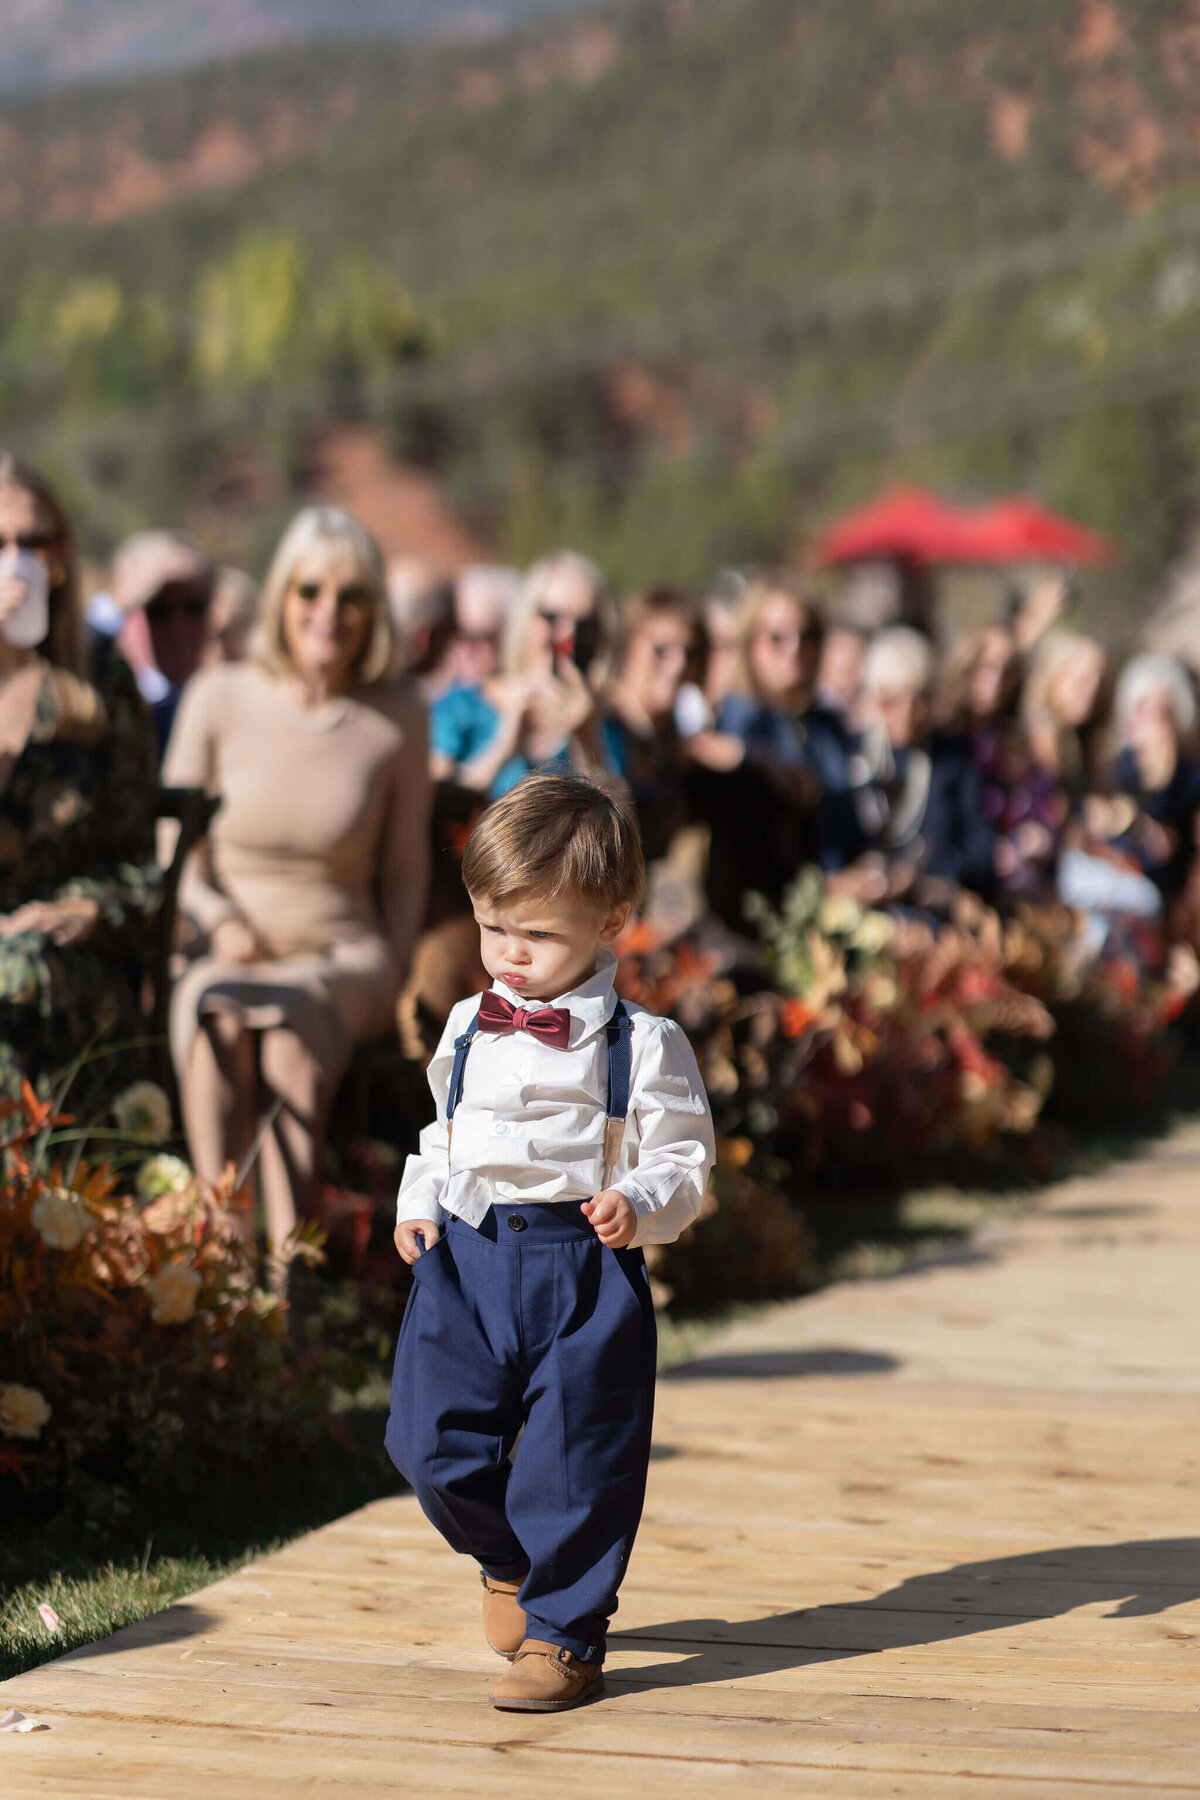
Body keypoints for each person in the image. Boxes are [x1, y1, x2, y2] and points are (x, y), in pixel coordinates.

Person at [386, 772, 714, 1714]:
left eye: (536, 933)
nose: (510, 955)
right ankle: (505, 1558)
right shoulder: (467, 1021)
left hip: (580, 1263)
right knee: (426, 1440)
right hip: (469, 1257)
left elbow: (687, 1160)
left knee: (579, 1456)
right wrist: (420, 1202)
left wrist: (637, 1200)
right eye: (494, 927)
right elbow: (441, 1134)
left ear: (611, 920)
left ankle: (565, 1636)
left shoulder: (645, 1045)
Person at [164, 505, 430, 1268]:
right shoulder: (218, 693)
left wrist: (395, 968)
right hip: (229, 945)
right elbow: (172, 849)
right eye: (310, 590)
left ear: (373, 611)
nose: (328, 613)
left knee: (286, 1036)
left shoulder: (397, 716)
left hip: (340, 953)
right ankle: (223, 1263)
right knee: (220, 1022)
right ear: (281, 595)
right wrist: (218, 921)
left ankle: (289, 1282)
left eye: (351, 597)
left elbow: (406, 869)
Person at [0, 452, 158, 1100]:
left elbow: (141, 863)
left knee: (12, 972)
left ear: (60, 554)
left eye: (32, 541)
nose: (15, 560)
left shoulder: (100, 679)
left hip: (63, 964)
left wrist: (88, 909)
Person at [688, 575, 858, 925]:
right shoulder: (740, 719)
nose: (795, 648)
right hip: (766, 915)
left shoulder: (826, 723)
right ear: (749, 643)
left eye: (807, 635)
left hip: (834, 901)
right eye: (777, 637)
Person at [430, 550, 612, 798]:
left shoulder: (606, 721)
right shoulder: (462, 707)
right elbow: (437, 806)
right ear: (524, 619)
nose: (567, 636)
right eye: (552, 618)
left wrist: (589, 742)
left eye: (584, 626)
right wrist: (503, 748)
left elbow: (627, 826)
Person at [839, 626, 994, 906]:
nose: (907, 713)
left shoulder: (952, 759)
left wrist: (923, 878)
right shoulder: (851, 752)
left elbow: (981, 848)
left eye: (919, 699)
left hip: (931, 912)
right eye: (891, 700)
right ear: (874, 697)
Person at [602, 585, 696, 861]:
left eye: (688, 652)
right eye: (661, 649)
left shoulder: (670, 730)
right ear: (626, 648)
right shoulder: (605, 724)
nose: (678, 664)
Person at [102, 530, 216, 757]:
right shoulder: (100, 699)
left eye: (194, 607)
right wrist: (116, 605)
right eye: (158, 609)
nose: (180, 628)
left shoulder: (219, 704)